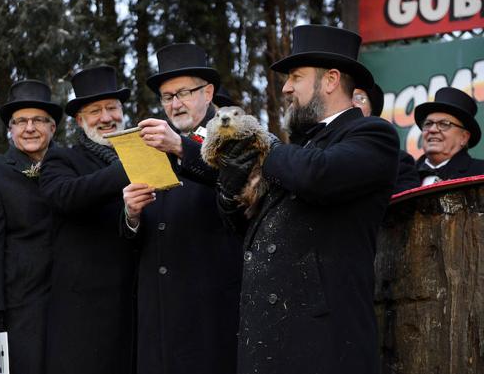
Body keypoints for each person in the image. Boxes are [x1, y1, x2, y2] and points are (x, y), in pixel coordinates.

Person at [218, 25, 400, 374]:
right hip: (267, 338)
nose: (286, 88)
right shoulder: (299, 149)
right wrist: (230, 191)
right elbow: (249, 227)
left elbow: (319, 176)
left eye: (296, 77)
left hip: (322, 344)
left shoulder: (372, 134)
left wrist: (265, 148)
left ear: (330, 79)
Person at [122, 43, 242, 374]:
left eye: (184, 93)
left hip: (211, 313)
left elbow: (239, 185)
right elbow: (145, 230)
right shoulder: (153, 145)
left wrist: (180, 147)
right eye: (167, 97)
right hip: (159, 317)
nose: (175, 104)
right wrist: (131, 215)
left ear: (208, 92)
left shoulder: (236, 136)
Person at [40, 65, 136, 374]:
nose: (106, 117)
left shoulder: (142, 152)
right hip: (83, 313)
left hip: (135, 306)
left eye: (112, 108)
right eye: (95, 111)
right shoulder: (62, 159)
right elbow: (66, 196)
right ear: (80, 120)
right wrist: (131, 168)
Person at [0, 80, 62, 374]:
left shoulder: (72, 167)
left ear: (53, 128)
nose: (29, 128)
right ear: (10, 130)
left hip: (70, 303)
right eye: (20, 122)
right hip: (20, 310)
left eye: (38, 120)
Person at [353, 83, 419, 193]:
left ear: (372, 110)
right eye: (346, 97)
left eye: (360, 98)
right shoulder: (321, 149)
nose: (352, 103)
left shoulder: (399, 160)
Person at [414, 86, 484, 185]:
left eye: (444, 124)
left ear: (464, 137)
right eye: (428, 124)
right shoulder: (402, 176)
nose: (432, 130)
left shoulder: (480, 173)